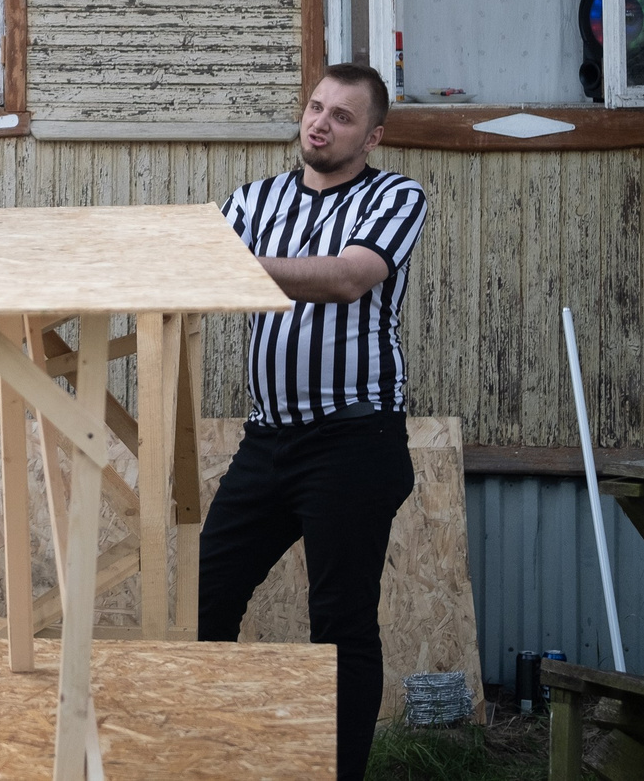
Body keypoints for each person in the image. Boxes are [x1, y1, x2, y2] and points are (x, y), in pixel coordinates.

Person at [198, 64, 428, 781]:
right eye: (315, 107)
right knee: (204, 599)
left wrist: (235, 266)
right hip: (268, 440)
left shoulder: (396, 195)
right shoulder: (254, 200)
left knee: (340, 623)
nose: (321, 123)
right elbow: (191, 266)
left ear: (373, 134)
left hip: (354, 440)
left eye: (343, 116)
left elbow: (347, 277)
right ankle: (211, 757)